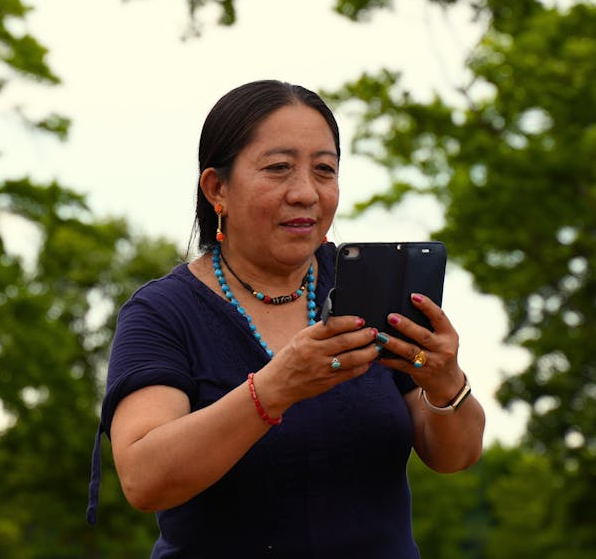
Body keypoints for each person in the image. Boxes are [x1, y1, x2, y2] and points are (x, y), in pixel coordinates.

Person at [87, 80, 485, 558]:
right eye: (278, 169)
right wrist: (276, 387)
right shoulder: (163, 313)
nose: (305, 193)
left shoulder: (366, 290)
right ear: (217, 189)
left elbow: (455, 456)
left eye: (324, 170)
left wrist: (446, 384)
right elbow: (144, 479)